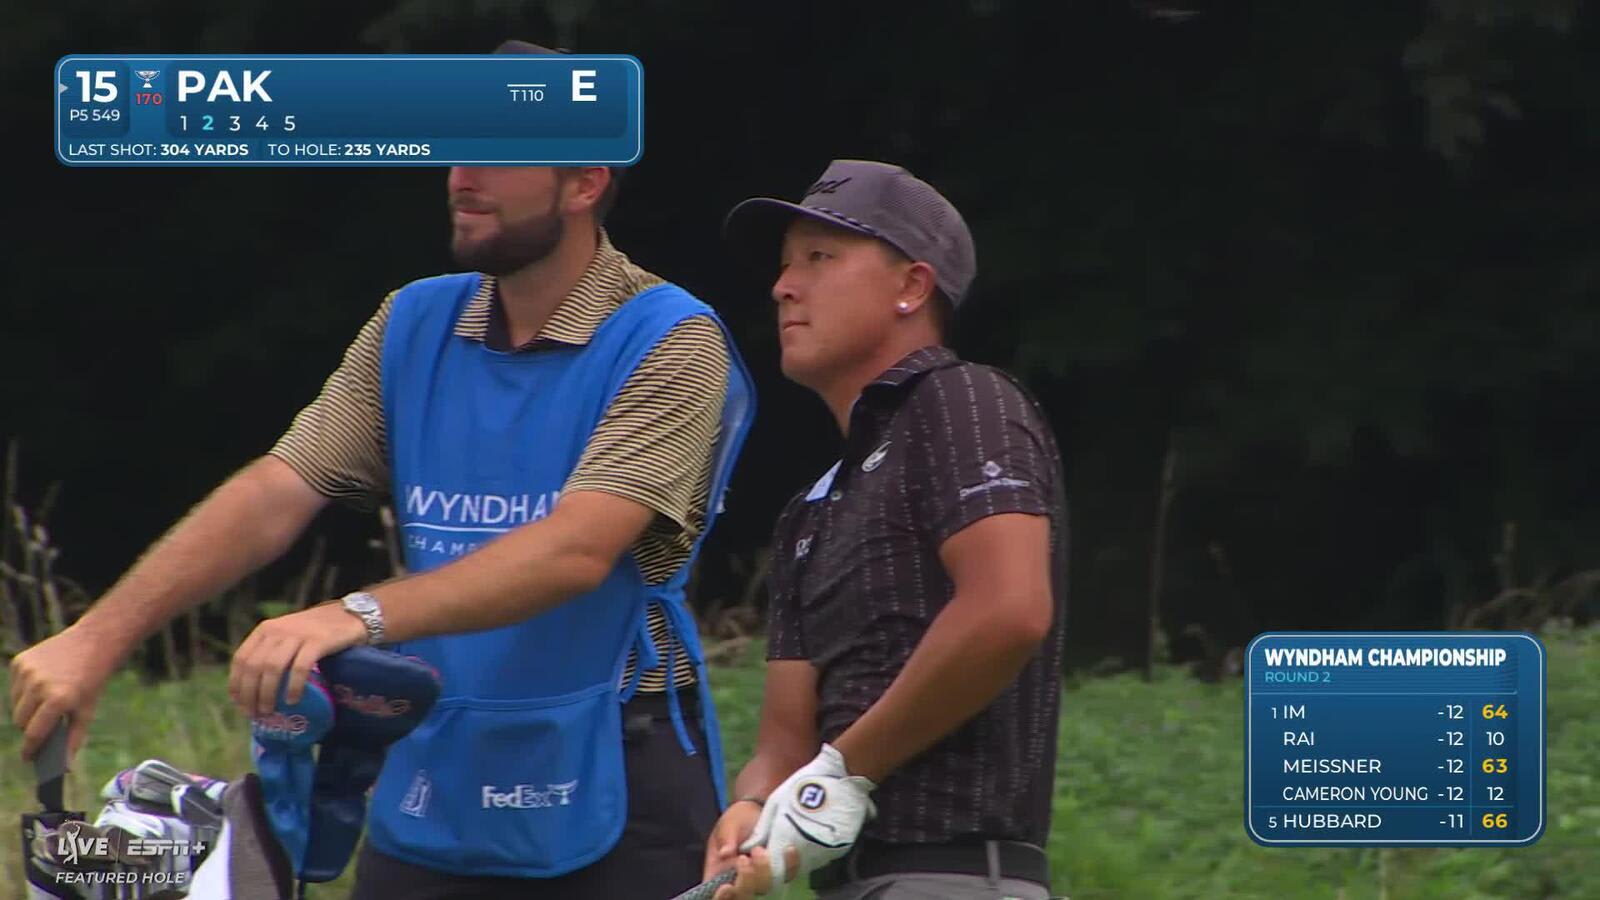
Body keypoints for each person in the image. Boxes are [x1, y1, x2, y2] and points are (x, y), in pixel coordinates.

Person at [10, 39, 756, 900]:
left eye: (494, 152)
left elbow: (577, 551)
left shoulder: (670, 335)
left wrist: (350, 614)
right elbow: (279, 488)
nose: (458, 175)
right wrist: (95, 641)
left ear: (584, 182)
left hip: (618, 775)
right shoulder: (414, 320)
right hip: (432, 761)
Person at [703, 160, 1068, 900]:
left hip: (959, 874)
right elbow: (784, 743)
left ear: (912, 288)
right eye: (784, 266)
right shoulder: (811, 507)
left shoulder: (964, 401)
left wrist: (843, 773)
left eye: (820, 258)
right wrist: (754, 809)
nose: (783, 286)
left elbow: (1009, 610)